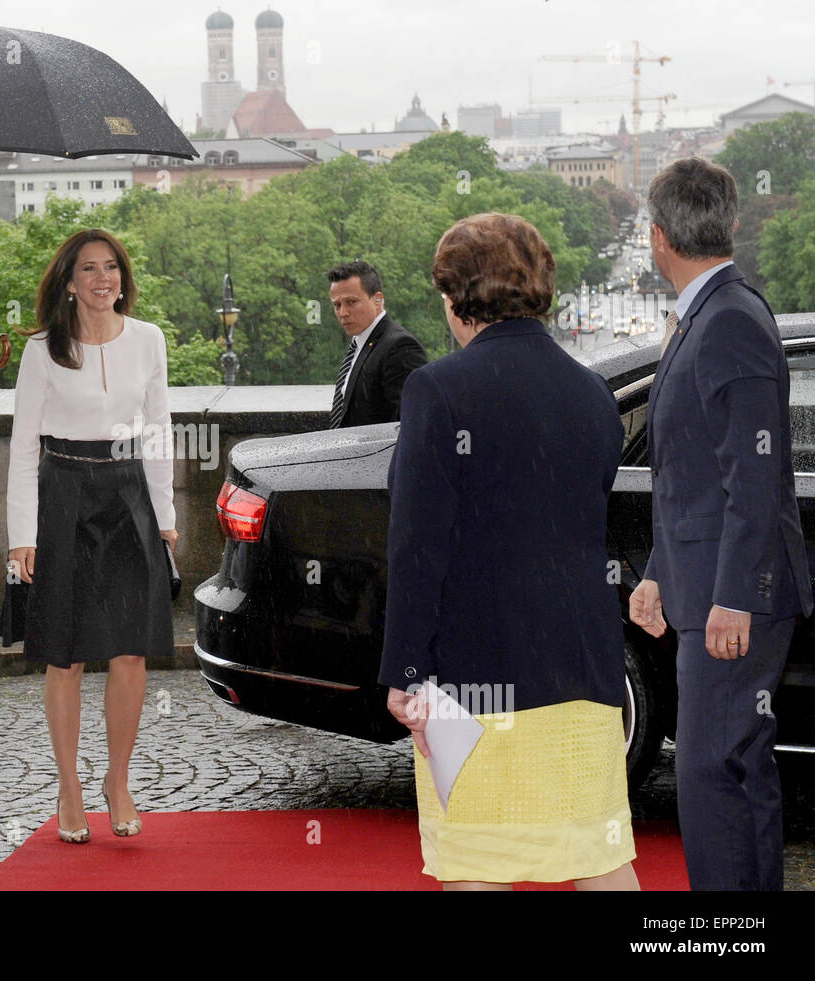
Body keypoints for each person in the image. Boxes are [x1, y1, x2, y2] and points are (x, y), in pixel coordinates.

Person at [378, 213, 639, 890]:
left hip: (474, 671)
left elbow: (416, 546)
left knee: (478, 866)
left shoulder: (437, 389)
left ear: (452, 295)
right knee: (600, 860)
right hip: (583, 667)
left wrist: (405, 668)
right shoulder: (593, 395)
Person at [629, 158, 811, 891]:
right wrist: (656, 573)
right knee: (732, 768)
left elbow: (754, 479)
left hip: (732, 599)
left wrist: (732, 595)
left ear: (658, 236)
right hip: (707, 586)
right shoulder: (715, 311)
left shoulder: (726, 319)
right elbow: (692, 476)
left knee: (714, 772)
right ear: (729, 223)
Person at [6, 228, 176, 844]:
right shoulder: (41, 350)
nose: (102, 279)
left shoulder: (149, 339)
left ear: (122, 278)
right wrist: (20, 534)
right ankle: (69, 785)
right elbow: (24, 445)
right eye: (88, 269)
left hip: (129, 495)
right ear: (69, 282)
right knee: (67, 654)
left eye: (111, 268)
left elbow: (158, 429)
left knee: (131, 648)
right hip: (64, 497)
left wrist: (163, 516)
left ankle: (119, 780)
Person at [325, 260, 427, 428]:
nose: (342, 313)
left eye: (351, 302)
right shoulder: (360, 342)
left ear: (378, 300)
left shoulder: (400, 347)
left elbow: (410, 424)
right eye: (337, 305)